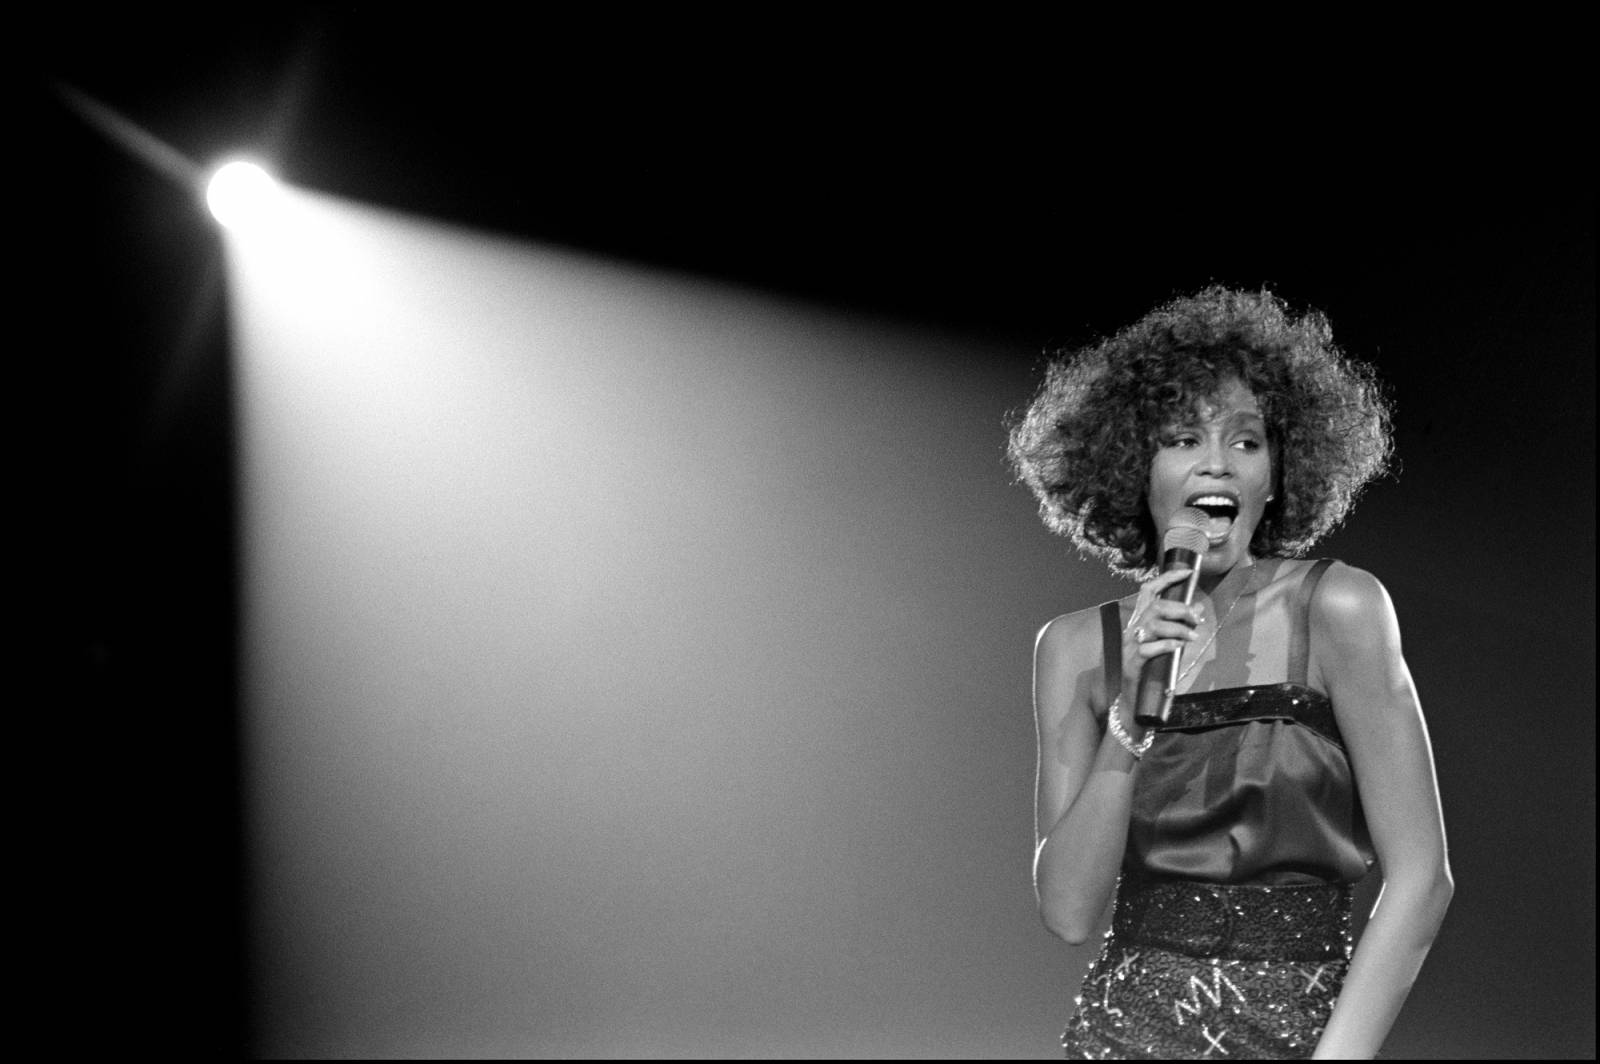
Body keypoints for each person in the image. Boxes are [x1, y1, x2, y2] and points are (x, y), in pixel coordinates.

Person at [1006, 287, 1452, 1059]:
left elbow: (1422, 878)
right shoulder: (1077, 648)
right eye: (1182, 438)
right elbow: (1070, 913)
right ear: (1134, 468)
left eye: (1246, 443)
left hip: (1301, 1029)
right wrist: (1128, 727)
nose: (1217, 462)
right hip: (1123, 1031)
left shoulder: (1338, 607)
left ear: (1277, 475)